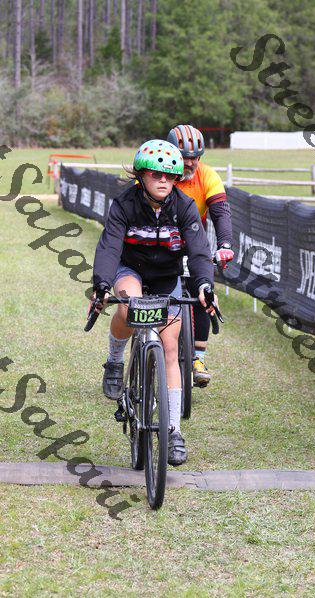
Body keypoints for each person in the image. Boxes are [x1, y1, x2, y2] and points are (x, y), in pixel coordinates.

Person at [91, 139, 215, 466]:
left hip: (166, 277)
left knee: (170, 349)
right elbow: (109, 247)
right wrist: (101, 283)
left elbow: (199, 251)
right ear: (141, 175)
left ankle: (173, 431)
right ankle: (115, 361)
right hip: (130, 269)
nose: (163, 181)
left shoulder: (184, 206)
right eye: (156, 175)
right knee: (128, 304)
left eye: (170, 176)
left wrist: (204, 283)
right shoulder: (125, 204)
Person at [167, 124, 234, 387]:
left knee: (203, 291)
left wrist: (225, 244)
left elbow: (220, 211)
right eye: (184, 157)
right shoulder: (159, 173)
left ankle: (198, 358)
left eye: (195, 157)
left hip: (195, 243)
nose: (190, 162)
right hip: (160, 243)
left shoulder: (207, 175)